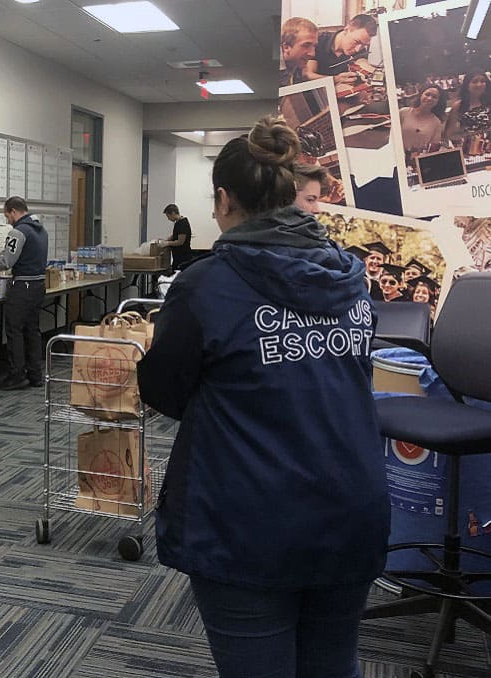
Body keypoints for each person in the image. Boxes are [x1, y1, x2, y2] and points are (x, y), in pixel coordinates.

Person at [137, 114, 390, 678]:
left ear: (224, 200)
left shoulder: (206, 284)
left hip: (247, 518)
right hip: (350, 503)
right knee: (333, 665)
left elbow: (162, 390)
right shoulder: (352, 276)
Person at [0, 196, 48, 390]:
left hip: (22, 286)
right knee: (32, 330)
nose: (8, 221)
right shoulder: (41, 230)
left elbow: (6, 262)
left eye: (7, 216)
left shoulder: (18, 232)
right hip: (39, 285)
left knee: (14, 331)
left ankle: (16, 375)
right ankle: (35, 375)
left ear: (13, 211)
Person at [305, 14, 378, 88]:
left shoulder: (360, 48)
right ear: (346, 30)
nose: (358, 49)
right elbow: (309, 74)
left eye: (363, 45)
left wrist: (376, 73)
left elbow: (362, 63)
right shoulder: (319, 41)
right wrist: (335, 79)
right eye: (356, 42)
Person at [443, 71, 491, 142]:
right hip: (471, 147)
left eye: (482, 81)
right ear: (467, 85)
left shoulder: (489, 102)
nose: (479, 84)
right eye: (474, 82)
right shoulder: (459, 105)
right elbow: (449, 134)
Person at [399, 83, 446, 153]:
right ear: (421, 95)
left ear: (438, 102)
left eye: (434, 97)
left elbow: (433, 149)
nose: (430, 98)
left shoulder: (437, 123)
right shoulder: (403, 112)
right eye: (427, 94)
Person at [280, 17, 318, 88]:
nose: (312, 54)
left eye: (314, 46)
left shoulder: (296, 63)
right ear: (286, 47)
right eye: (306, 46)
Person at [160, 204, 193, 271]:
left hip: (183, 258)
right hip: (177, 257)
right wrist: (166, 240)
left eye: (168, 216)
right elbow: (176, 235)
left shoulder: (183, 223)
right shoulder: (178, 223)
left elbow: (180, 241)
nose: (168, 219)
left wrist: (168, 243)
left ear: (173, 213)